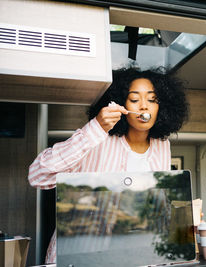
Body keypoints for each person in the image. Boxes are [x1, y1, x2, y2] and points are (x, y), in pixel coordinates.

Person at [27, 67, 189, 263]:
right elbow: (38, 175)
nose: (144, 106)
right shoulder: (98, 138)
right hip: (78, 256)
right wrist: (96, 128)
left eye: (152, 100)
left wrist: (183, 220)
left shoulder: (162, 146)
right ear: (122, 105)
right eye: (135, 99)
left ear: (162, 107)